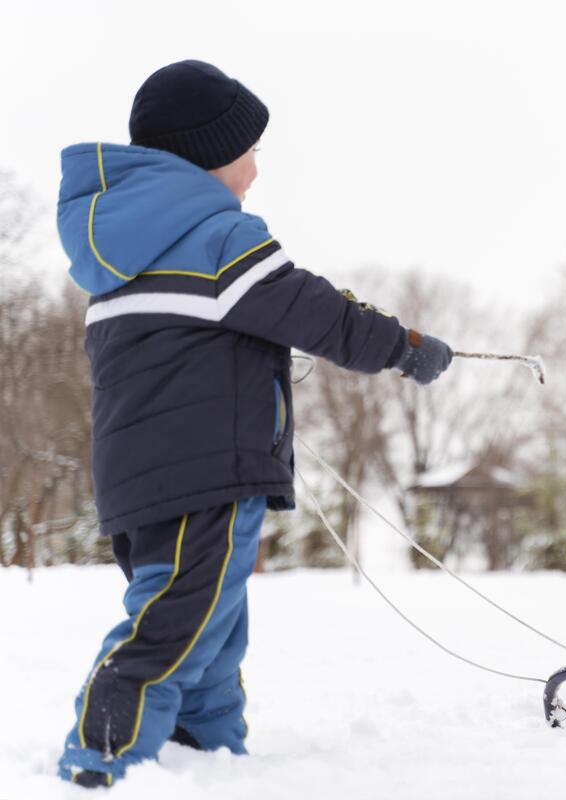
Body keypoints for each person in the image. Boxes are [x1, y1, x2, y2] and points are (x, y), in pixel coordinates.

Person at [54, 60, 453, 788]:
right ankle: (102, 756)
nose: (255, 172)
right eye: (249, 153)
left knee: (212, 625)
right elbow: (316, 312)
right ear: (208, 158)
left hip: (149, 479)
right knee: (175, 623)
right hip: (201, 474)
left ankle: (208, 757)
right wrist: (406, 348)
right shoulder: (215, 239)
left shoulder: (126, 253)